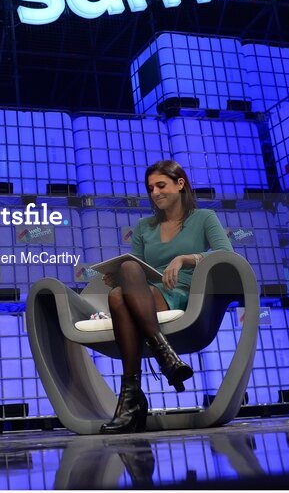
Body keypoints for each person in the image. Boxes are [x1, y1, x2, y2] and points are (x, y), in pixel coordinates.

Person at [99, 160, 233, 434]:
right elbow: (138, 271)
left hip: (184, 293)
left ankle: (132, 400)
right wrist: (121, 279)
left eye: (161, 185)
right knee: (120, 284)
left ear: (180, 184)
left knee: (118, 296)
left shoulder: (204, 218)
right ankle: (165, 358)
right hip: (148, 295)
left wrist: (186, 258)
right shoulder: (143, 227)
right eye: (150, 188)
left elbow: (226, 256)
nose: (155, 193)